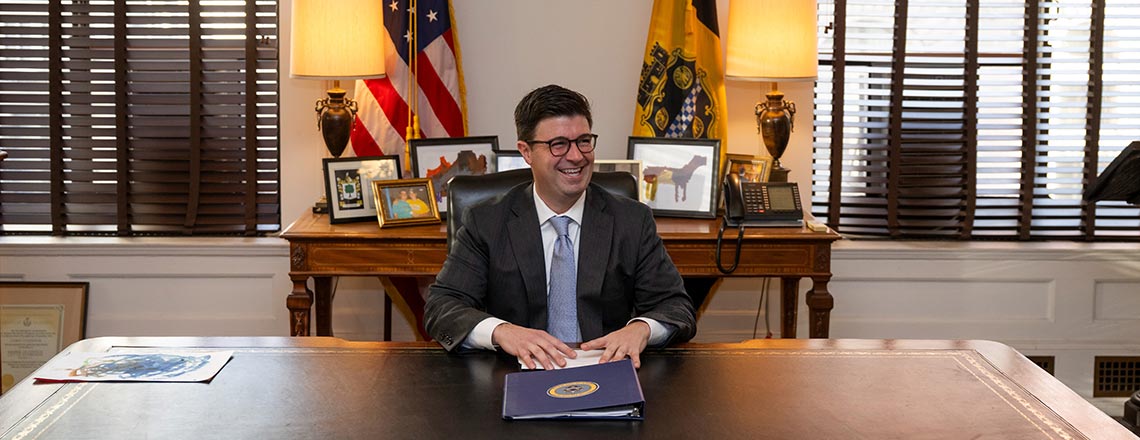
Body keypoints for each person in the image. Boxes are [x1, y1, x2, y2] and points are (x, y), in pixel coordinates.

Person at [424, 84, 696, 370]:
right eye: (558, 144)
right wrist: (502, 331)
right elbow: (442, 307)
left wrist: (640, 329)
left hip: (606, 370)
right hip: (514, 374)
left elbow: (676, 307)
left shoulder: (632, 220)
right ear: (526, 151)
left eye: (584, 141)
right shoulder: (486, 221)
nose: (577, 156)